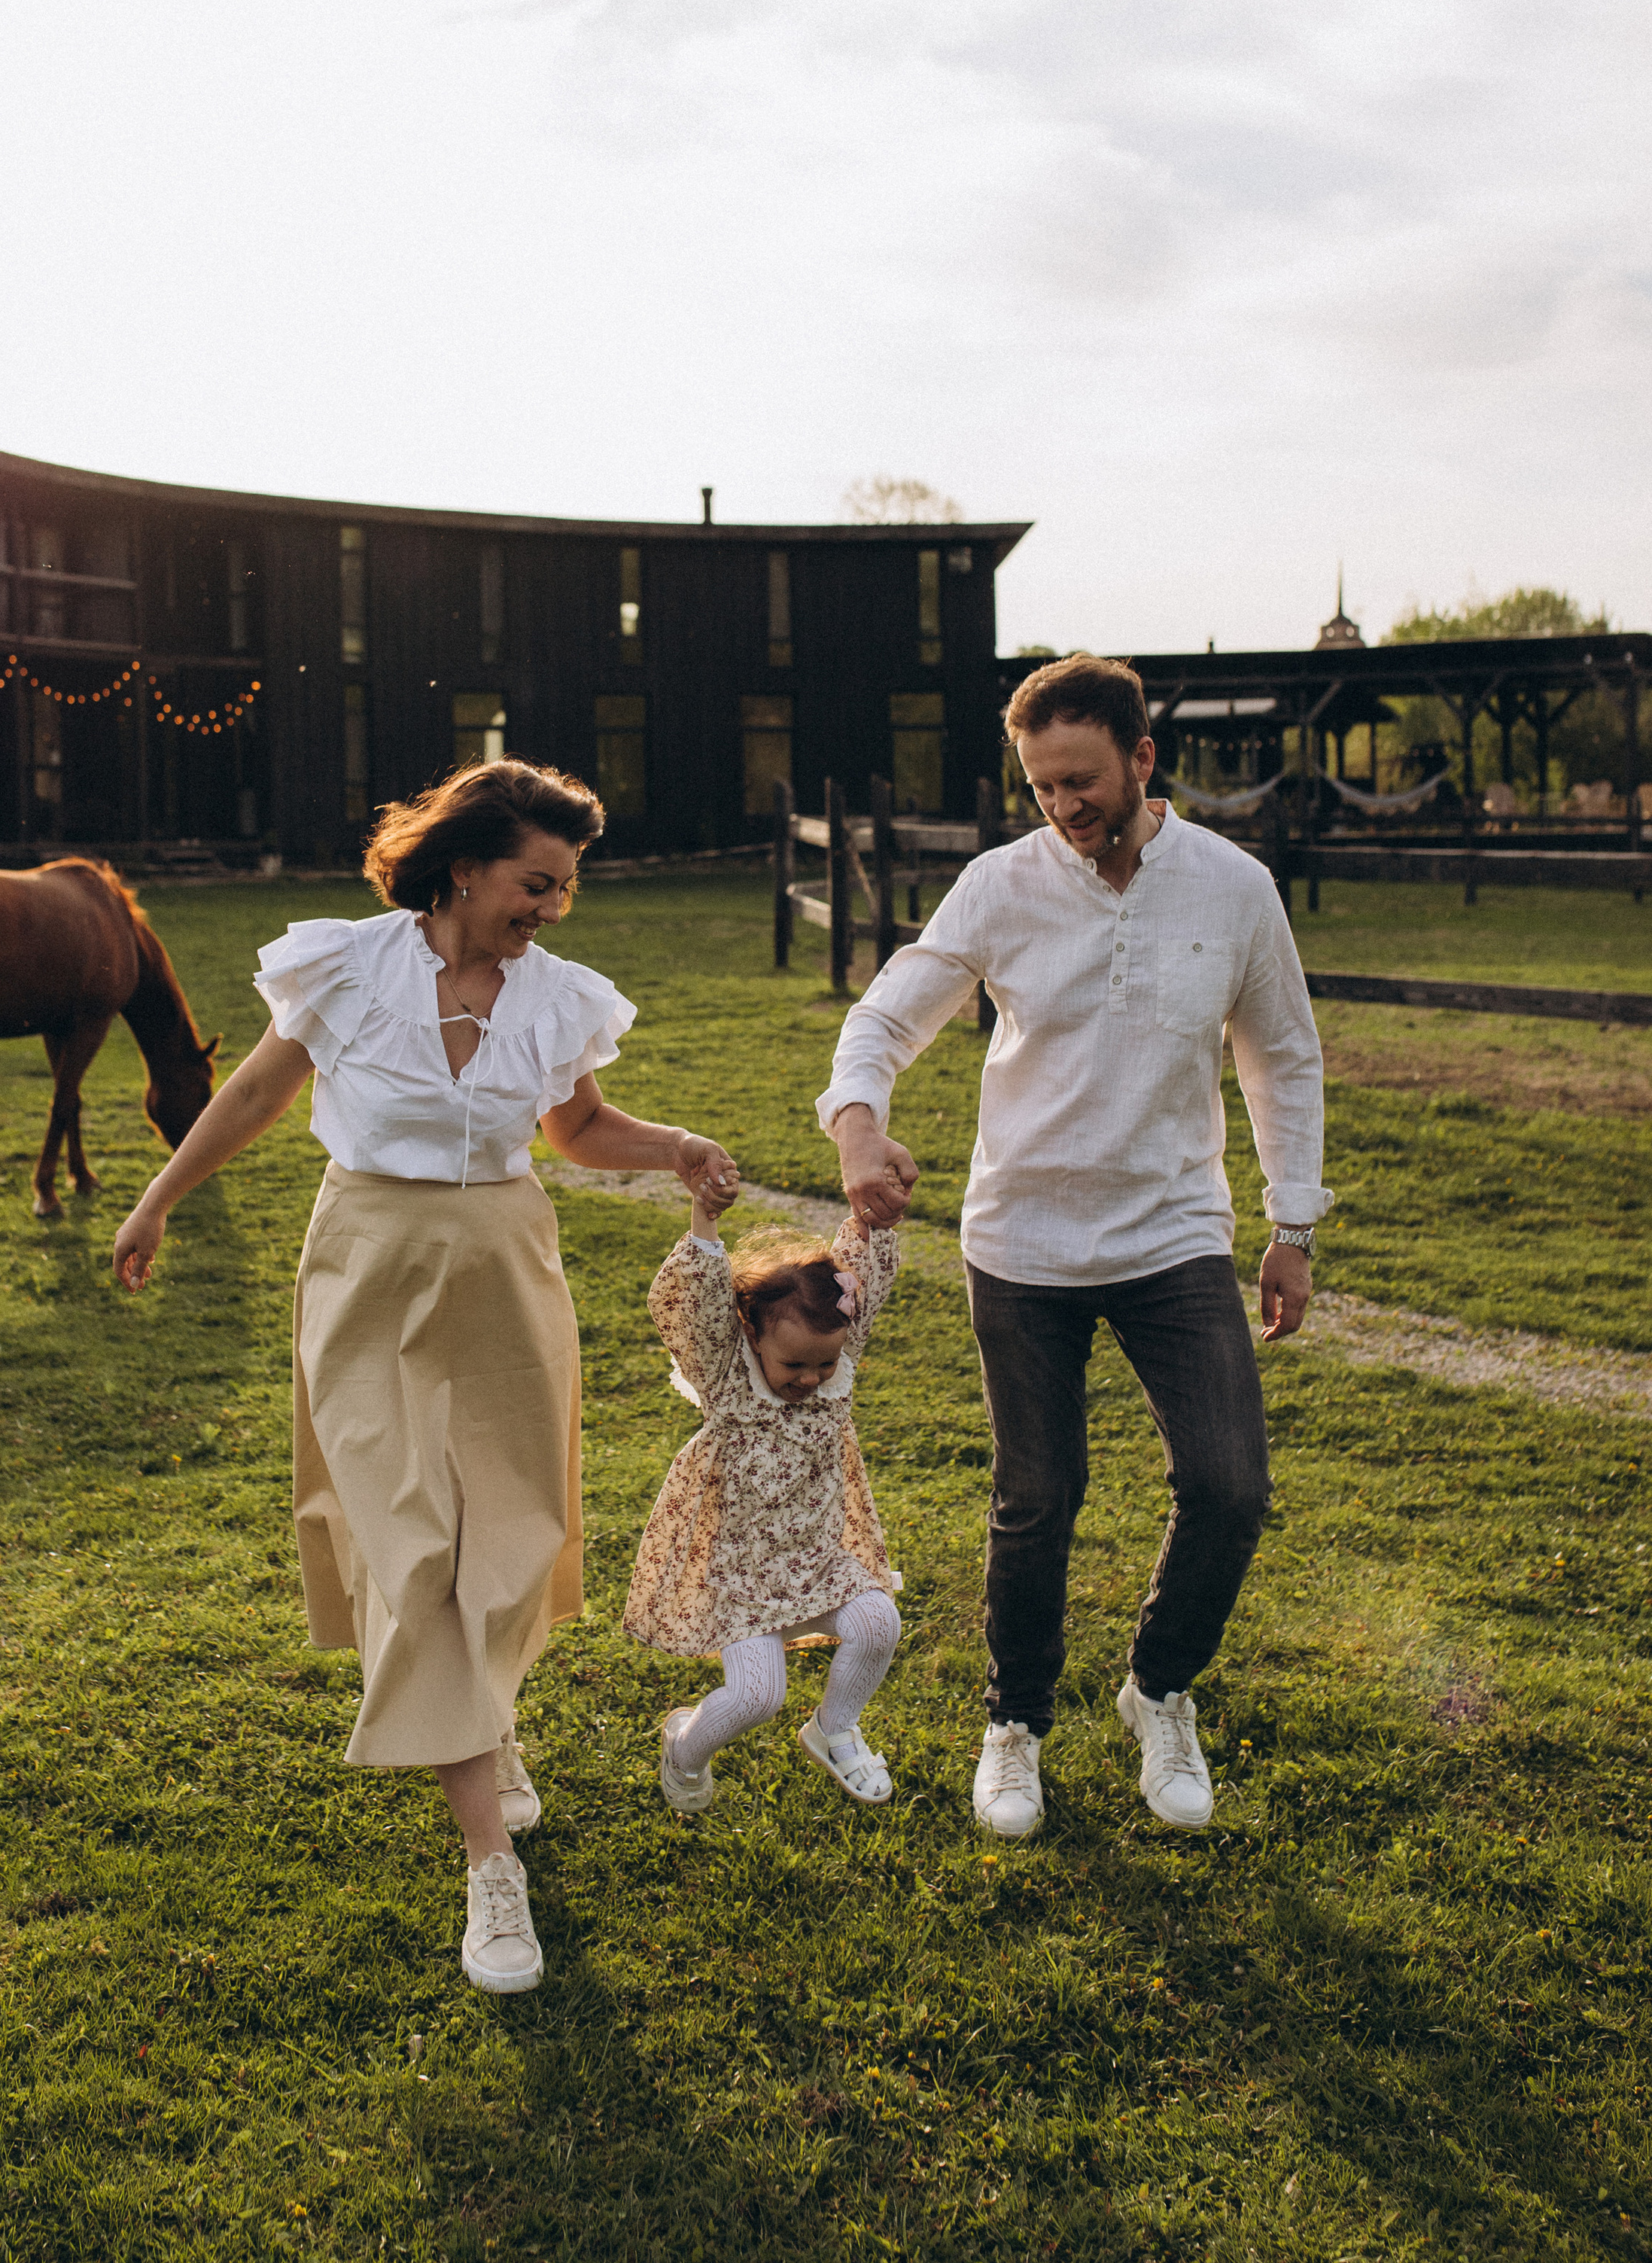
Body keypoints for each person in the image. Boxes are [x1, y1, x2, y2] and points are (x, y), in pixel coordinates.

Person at [111, 757, 739, 1994]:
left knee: (509, 1535)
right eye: (534, 883)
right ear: (463, 866)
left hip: (506, 1271)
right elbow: (255, 1091)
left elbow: (574, 1129)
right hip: (366, 1268)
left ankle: (484, 1725)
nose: (552, 908)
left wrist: (677, 1148)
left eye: (566, 888)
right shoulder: (346, 966)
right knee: (414, 1548)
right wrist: (157, 1200)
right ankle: (490, 1866)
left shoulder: (557, 999)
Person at [819, 653, 1331, 1841]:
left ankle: (1158, 1691)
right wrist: (857, 1124)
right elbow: (890, 1012)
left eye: (1083, 781)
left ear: (1145, 760)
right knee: (1036, 1496)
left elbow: (1281, 1056)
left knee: (1229, 1485)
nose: (1064, 806)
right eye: (1043, 786)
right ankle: (1017, 1725)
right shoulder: (1000, 887)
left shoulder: (1235, 887)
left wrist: (1290, 1225)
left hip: (1175, 1236)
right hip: (1023, 1242)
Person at [623, 1192, 904, 1811]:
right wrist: (705, 1220)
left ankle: (833, 1729)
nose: (811, 1379)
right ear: (749, 1334)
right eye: (795, 1364)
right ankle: (685, 1752)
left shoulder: (839, 1366)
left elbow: (867, 1278)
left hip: (818, 1562)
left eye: (824, 1364)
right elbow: (694, 1308)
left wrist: (872, 1218)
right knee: (757, 1697)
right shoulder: (727, 1378)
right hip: (742, 1578)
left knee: (880, 1622)